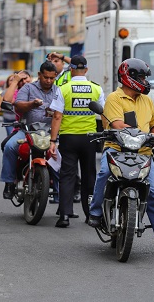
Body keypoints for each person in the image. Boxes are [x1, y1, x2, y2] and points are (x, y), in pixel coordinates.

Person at [88, 58, 154, 255]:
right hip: (116, 149)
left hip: (143, 153)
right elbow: (118, 125)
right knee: (103, 173)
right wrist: (145, 134)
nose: (145, 81)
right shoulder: (114, 99)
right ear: (129, 78)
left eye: (145, 77)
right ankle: (94, 211)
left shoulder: (146, 101)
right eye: (142, 77)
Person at [48, 55, 105, 228]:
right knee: (89, 176)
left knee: (67, 176)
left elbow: (57, 116)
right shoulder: (96, 89)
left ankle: (64, 215)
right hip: (89, 138)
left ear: (71, 69)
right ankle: (91, 215)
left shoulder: (63, 88)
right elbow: (103, 114)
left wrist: (52, 140)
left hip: (68, 138)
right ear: (86, 70)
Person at [0, 62, 60, 200]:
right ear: (39, 75)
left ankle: (61, 192)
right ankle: (9, 183)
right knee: (9, 146)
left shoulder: (59, 91)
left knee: (65, 153)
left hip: (51, 133)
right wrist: (32, 104)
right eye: (46, 77)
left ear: (55, 76)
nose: (48, 81)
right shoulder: (28, 88)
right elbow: (18, 106)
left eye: (52, 78)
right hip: (27, 131)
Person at [47, 51, 82, 205]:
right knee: (60, 159)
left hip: (70, 122)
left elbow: (78, 64)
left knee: (70, 161)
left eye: (57, 61)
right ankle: (58, 191)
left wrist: (62, 56)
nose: (54, 63)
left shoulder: (69, 74)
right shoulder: (52, 78)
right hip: (57, 120)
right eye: (52, 61)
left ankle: (76, 189)